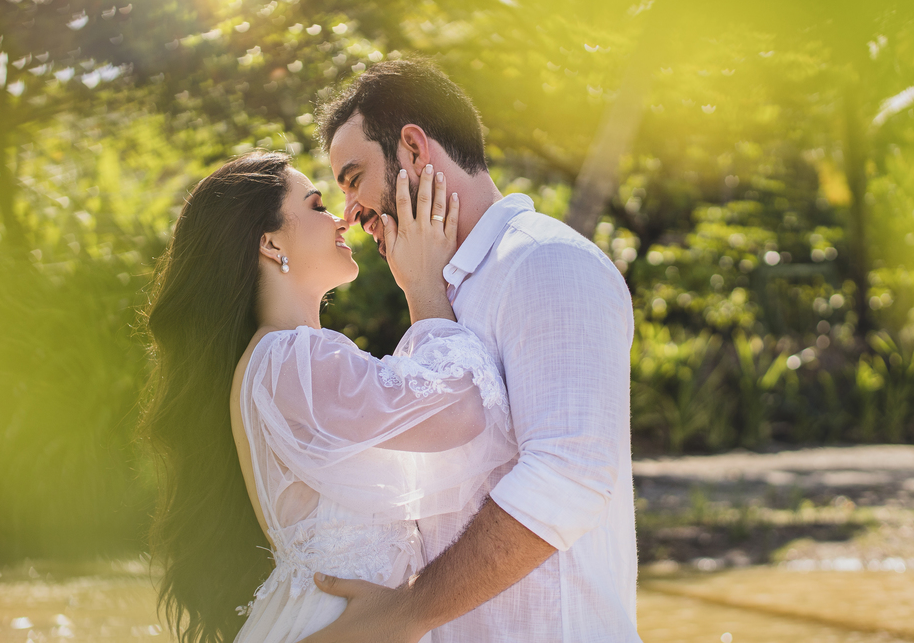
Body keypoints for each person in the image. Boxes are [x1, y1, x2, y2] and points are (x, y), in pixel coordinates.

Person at [305, 59, 640, 643]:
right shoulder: (440, 290)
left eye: (354, 178)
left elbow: (569, 476)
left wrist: (404, 613)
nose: (351, 213)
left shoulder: (544, 263)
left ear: (412, 149)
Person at [139, 151, 517, 643]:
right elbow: (461, 411)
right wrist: (425, 285)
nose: (341, 217)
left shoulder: (276, 362)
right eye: (317, 205)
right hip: (338, 623)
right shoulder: (290, 359)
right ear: (271, 243)